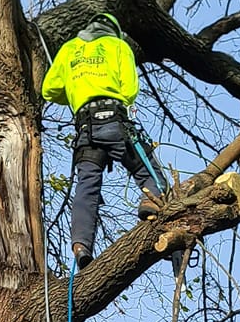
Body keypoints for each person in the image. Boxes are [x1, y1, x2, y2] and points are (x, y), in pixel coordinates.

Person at [41, 14, 164, 266]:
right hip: (115, 121)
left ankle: (81, 246)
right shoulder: (118, 46)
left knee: (87, 186)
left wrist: (77, 92)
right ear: (114, 30)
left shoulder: (69, 49)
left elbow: (49, 90)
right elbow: (129, 90)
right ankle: (151, 201)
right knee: (147, 169)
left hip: (86, 128)